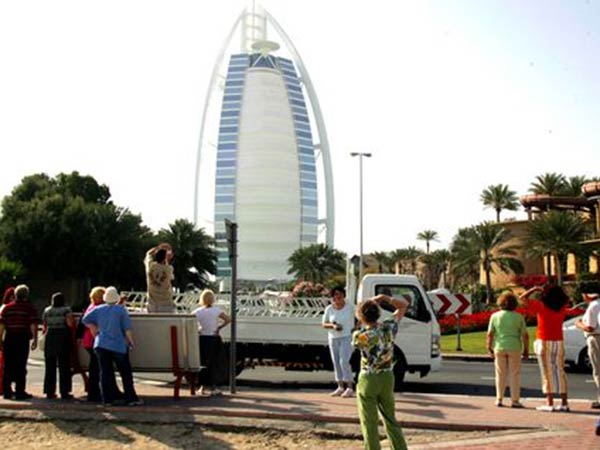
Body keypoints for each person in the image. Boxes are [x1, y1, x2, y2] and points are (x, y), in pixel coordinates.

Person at [352, 293, 410, 450]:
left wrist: (363, 312)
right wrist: (384, 298)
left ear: (362, 316)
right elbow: (403, 306)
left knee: (369, 421)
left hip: (368, 378)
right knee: (390, 418)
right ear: (378, 313)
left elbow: (356, 329)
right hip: (387, 376)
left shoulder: (361, 336)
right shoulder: (388, 328)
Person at [82, 286, 142, 406]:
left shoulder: (98, 309)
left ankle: (107, 399)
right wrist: (131, 342)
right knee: (125, 372)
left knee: (105, 372)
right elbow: (127, 329)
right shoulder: (121, 310)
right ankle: (131, 398)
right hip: (118, 345)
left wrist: (94, 328)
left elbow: (85, 319)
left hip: (101, 344)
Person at [520, 284, 570, 412]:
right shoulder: (563, 306)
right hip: (559, 341)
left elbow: (522, 298)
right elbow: (566, 297)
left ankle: (549, 402)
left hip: (544, 340)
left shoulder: (541, 306)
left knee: (547, 372)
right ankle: (564, 402)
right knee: (560, 371)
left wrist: (534, 289)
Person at [486, 292, 529, 408]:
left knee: (500, 374)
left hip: (499, 346)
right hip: (514, 346)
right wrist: (526, 349)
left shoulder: (495, 316)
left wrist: (489, 347)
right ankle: (515, 400)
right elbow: (525, 335)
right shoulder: (518, 317)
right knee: (514, 374)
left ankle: (499, 399)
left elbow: (490, 334)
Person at [0, 284, 38, 400]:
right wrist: (35, 339)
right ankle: (19, 391)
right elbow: (33, 324)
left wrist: (0, 339)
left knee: (8, 364)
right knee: (21, 364)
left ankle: (7, 391)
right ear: (26, 295)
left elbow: (2, 325)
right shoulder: (29, 308)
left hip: (10, 337)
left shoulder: (7, 308)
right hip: (22, 337)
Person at [192, 289, 231, 396]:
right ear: (212, 299)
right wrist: (219, 327)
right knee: (215, 363)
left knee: (203, 362)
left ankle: (202, 387)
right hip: (214, 338)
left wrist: (198, 329)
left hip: (202, 338)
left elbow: (189, 320)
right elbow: (228, 319)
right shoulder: (216, 310)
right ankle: (214, 387)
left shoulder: (198, 311)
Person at [322, 287, 355, 397]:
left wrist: (356, 328)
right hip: (333, 337)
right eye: (335, 294)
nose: (338, 296)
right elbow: (324, 324)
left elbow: (360, 316)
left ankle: (349, 387)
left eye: (340, 294)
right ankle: (340, 387)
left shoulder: (350, 307)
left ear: (343, 295)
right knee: (336, 362)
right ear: (333, 296)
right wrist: (333, 326)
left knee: (344, 361)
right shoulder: (329, 308)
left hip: (347, 337)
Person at [76, 286, 107, 402]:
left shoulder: (90, 307)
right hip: (95, 340)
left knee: (94, 366)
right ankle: (94, 393)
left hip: (88, 340)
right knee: (96, 368)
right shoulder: (99, 308)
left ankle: (94, 392)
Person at [42, 292, 74, 400]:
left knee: (50, 365)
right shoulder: (66, 310)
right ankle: (64, 391)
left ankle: (49, 391)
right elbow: (70, 324)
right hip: (62, 336)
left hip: (50, 336)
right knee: (64, 365)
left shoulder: (47, 310)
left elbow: (44, 325)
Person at [575, 292, 600, 409]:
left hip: (596, 338)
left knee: (598, 370)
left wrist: (579, 323)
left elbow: (590, 327)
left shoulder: (593, 306)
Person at [144, 243, 175, 313]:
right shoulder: (169, 269)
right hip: (166, 303)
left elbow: (148, 254)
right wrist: (167, 258)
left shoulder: (150, 266)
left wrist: (158, 247)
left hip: (152, 303)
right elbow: (171, 277)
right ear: (165, 258)